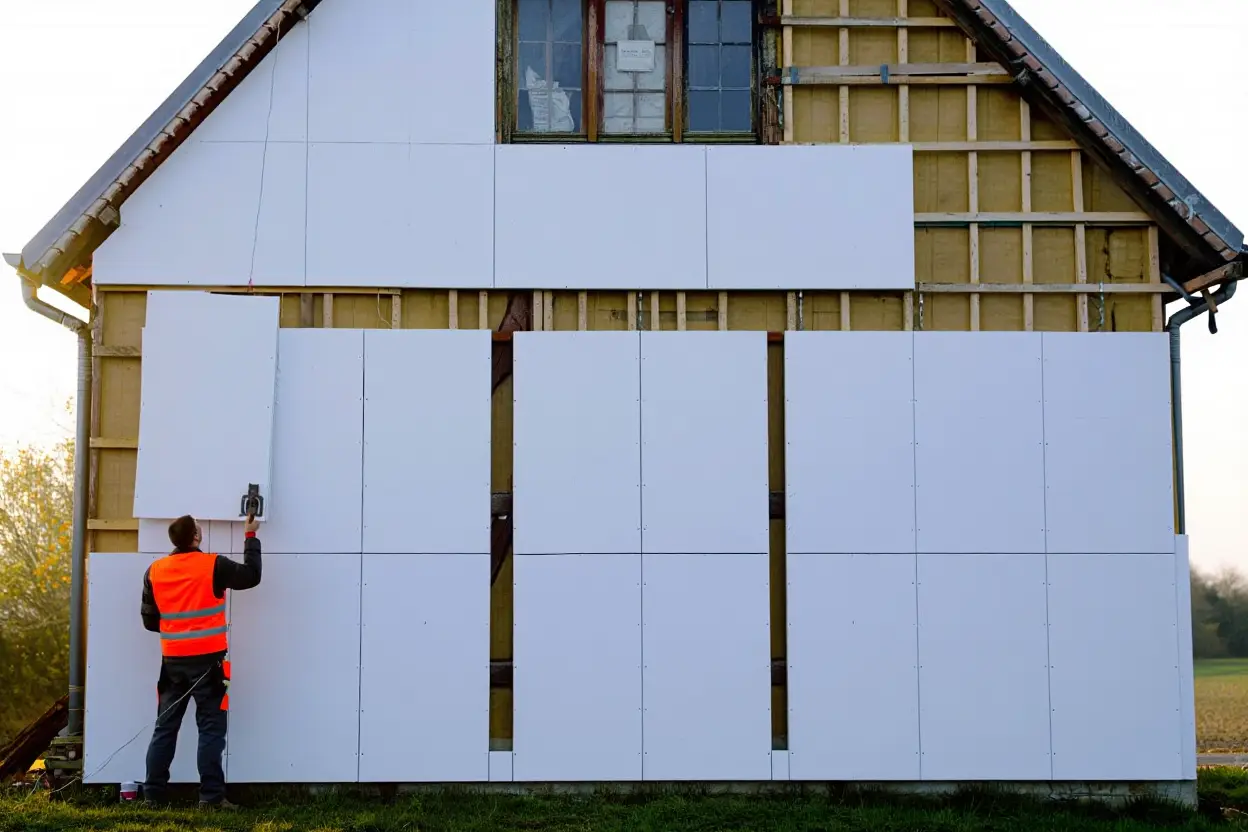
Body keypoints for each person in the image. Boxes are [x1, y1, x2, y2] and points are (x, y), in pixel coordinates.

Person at [140, 514, 261, 809]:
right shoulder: (213, 565)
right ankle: (210, 798)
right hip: (210, 665)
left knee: (164, 728)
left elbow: (149, 620)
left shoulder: (155, 570)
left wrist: (179, 630)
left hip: (172, 665)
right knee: (211, 729)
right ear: (195, 536)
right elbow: (251, 576)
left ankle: (153, 796)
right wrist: (250, 536)